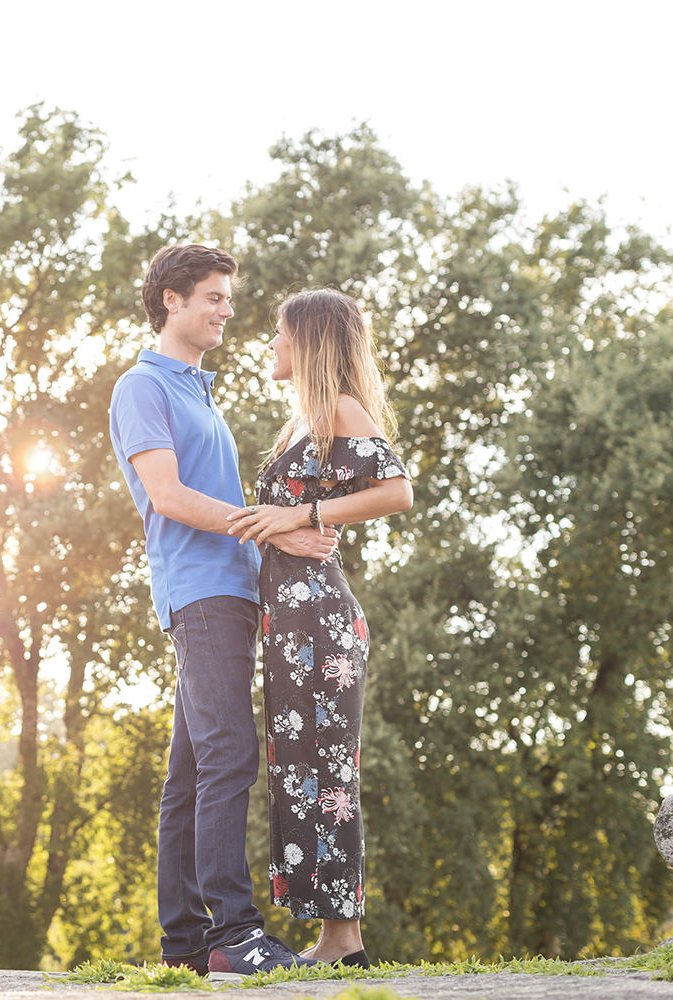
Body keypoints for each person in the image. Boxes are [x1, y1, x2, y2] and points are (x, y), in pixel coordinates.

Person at [109, 245, 337, 978]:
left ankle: (184, 943)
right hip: (201, 590)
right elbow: (169, 497)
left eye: (227, 298)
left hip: (231, 591)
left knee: (189, 774)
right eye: (212, 296)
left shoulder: (200, 390)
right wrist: (271, 523)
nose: (226, 310)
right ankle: (235, 934)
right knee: (230, 756)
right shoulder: (143, 387)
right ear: (170, 300)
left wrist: (277, 534)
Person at [223, 288, 414, 967]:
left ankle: (341, 941)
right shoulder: (303, 422)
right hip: (293, 622)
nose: (270, 344)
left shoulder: (338, 407)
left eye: (279, 333)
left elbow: (397, 490)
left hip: (320, 625)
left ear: (308, 341)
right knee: (303, 771)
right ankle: (341, 939)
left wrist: (307, 518)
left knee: (325, 773)